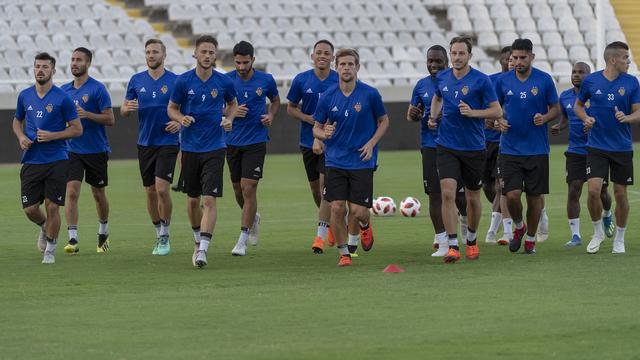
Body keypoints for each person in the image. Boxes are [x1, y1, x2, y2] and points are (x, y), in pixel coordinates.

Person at [312, 48, 389, 267]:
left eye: (350, 64)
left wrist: (372, 143)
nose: (346, 68)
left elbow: (384, 121)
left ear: (358, 67)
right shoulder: (327, 97)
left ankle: (365, 225)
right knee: (337, 208)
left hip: (361, 160)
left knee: (358, 211)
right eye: (343, 64)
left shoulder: (370, 94)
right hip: (335, 160)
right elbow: (316, 129)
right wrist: (322, 133)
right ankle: (344, 253)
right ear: (337, 67)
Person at [429, 36, 502, 263]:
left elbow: (497, 111)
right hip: (446, 145)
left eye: (462, 53)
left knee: (472, 198)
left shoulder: (481, 81)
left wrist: (474, 113)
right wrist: (433, 116)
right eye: (454, 53)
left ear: (470, 55)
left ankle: (471, 240)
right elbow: (437, 97)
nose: (457, 57)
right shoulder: (442, 77)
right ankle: (452, 245)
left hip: (473, 147)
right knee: (448, 194)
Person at [167, 35, 238, 267]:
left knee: (209, 199)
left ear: (215, 55)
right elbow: (172, 108)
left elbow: (233, 104)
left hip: (216, 147)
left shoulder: (224, 82)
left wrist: (228, 119)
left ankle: (203, 250)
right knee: (192, 200)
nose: (207, 56)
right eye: (203, 52)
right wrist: (181, 118)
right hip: (189, 148)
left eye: (211, 52)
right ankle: (197, 240)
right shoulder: (183, 81)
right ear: (195, 54)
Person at [12, 52, 82, 264]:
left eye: (45, 66)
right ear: (33, 69)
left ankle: (50, 250)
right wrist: (21, 136)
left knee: (53, 206)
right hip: (32, 159)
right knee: (30, 209)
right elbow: (16, 121)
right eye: (37, 66)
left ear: (53, 70)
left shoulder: (63, 98)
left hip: (57, 159)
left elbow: (77, 129)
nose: (40, 70)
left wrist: (54, 135)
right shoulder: (25, 95)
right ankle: (44, 226)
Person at [494, 38, 560, 254]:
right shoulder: (503, 81)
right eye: (515, 58)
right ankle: (519, 227)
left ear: (532, 57)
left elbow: (556, 108)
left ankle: (530, 238)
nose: (518, 61)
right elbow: (493, 109)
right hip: (510, 149)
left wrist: (546, 116)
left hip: (537, 149)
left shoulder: (544, 80)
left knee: (534, 200)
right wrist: (498, 121)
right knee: (511, 195)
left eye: (523, 57)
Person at [574, 41, 640, 254]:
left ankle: (619, 238)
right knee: (593, 191)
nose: (628, 62)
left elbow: (638, 112)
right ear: (613, 59)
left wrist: (627, 117)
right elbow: (578, 106)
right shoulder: (591, 81)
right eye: (625, 58)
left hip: (621, 147)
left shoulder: (632, 82)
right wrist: (586, 118)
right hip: (596, 146)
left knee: (620, 193)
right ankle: (597, 232)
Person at [407, 45, 467, 256]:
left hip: (456, 145)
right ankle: (442, 241)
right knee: (435, 195)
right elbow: (412, 114)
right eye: (430, 61)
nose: (433, 65)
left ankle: (465, 224)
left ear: (447, 62)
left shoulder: (457, 82)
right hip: (431, 146)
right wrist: (414, 114)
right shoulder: (421, 85)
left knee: (459, 196)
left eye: (438, 61)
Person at [122, 39, 180, 255]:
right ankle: (157, 232)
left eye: (155, 52)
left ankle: (165, 233)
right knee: (150, 191)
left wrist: (179, 122)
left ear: (164, 55)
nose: (151, 55)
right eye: (148, 52)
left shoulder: (175, 81)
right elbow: (124, 111)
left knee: (162, 189)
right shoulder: (136, 80)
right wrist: (128, 108)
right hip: (145, 142)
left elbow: (187, 108)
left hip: (167, 142)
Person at [551, 62, 615, 247]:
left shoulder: (597, 95)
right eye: (574, 72)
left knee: (601, 191)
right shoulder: (565, 96)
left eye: (581, 72)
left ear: (589, 75)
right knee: (574, 190)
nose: (576, 75)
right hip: (575, 151)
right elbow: (565, 119)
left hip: (596, 149)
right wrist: (559, 126)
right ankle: (576, 235)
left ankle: (607, 213)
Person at [225, 41, 280, 256]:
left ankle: (242, 240)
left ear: (253, 60)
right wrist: (230, 112)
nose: (241, 66)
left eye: (245, 62)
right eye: (237, 62)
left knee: (249, 188)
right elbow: (217, 107)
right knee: (238, 190)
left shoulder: (265, 80)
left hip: (256, 141)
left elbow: (275, 100)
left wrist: (271, 115)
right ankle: (253, 217)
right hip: (232, 141)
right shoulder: (226, 80)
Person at [61, 47, 115, 254]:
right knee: (72, 192)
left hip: (96, 150)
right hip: (71, 150)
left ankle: (103, 231)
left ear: (88, 64)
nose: (74, 63)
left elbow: (110, 119)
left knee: (98, 194)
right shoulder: (64, 91)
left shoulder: (98, 89)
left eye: (79, 60)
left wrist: (87, 114)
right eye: (72, 59)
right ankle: (72, 238)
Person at [287, 40, 339, 254]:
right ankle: (332, 222)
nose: (322, 56)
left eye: (327, 53)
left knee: (325, 187)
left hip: (331, 142)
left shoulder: (338, 79)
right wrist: (309, 119)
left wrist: (327, 129)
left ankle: (320, 236)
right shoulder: (302, 80)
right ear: (312, 56)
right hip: (307, 141)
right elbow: (290, 108)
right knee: (316, 189)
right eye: (319, 53)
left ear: (332, 57)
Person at [484, 46, 511, 245]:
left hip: (506, 142)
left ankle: (494, 230)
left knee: (501, 186)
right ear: (501, 61)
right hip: (486, 140)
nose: (510, 62)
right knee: (487, 185)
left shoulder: (522, 84)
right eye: (507, 59)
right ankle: (503, 213)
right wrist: (488, 119)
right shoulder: (490, 81)